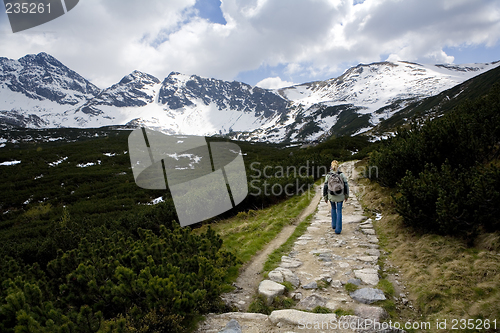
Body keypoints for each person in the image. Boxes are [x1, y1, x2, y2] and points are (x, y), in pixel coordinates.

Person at [323, 160, 349, 234]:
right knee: (339, 211)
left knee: (333, 208)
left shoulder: (328, 175)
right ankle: (338, 229)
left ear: (331, 166)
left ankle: (333, 225)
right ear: (338, 166)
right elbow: (346, 185)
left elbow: (325, 186)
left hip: (331, 195)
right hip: (340, 195)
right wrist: (346, 195)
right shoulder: (342, 175)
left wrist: (325, 197)